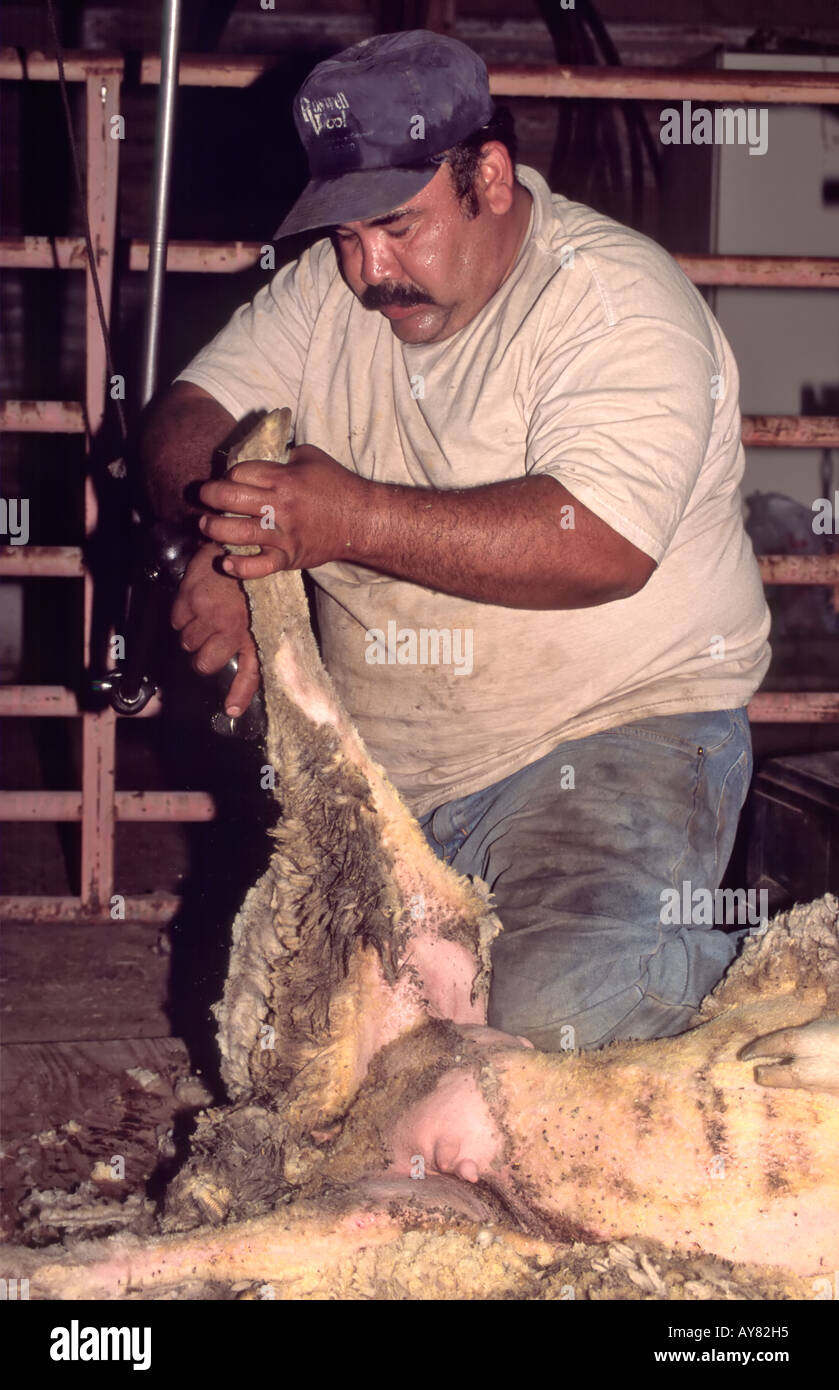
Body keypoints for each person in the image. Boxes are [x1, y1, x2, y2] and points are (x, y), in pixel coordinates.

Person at [141, 30, 771, 1052]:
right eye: (343, 235)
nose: (368, 271)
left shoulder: (608, 299)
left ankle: (731, 998)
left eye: (396, 226)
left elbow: (598, 543)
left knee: (557, 1018)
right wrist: (221, 539)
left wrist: (345, 519)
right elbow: (183, 416)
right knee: (281, 1049)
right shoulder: (327, 290)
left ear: (483, 173)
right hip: (393, 775)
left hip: (610, 740)